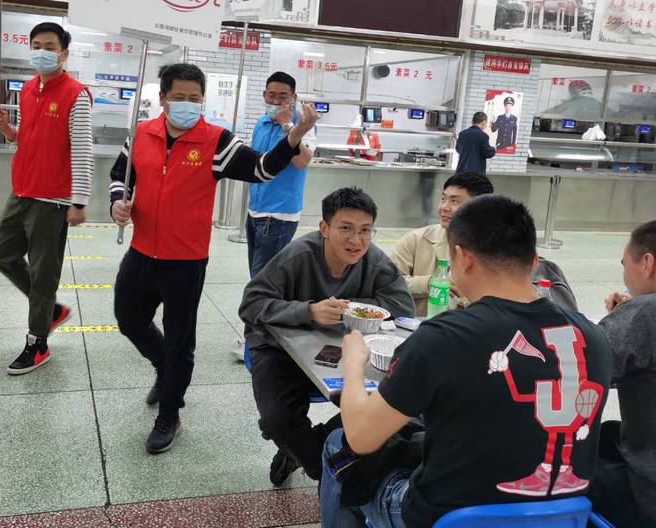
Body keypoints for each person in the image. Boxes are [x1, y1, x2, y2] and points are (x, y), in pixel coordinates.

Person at [320, 195, 612, 528]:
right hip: (559, 518)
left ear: (463, 258)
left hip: (452, 520)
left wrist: (353, 364)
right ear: (533, 261)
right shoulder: (594, 337)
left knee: (338, 446)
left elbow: (361, 436)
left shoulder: (442, 337)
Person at [109, 63, 317, 454]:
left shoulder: (216, 141)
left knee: (180, 340)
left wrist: (295, 135)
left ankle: (169, 413)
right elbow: (121, 176)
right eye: (179, 97)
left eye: (195, 98)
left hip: (186, 261)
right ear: (163, 97)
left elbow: (262, 169)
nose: (187, 104)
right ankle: (163, 368)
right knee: (128, 319)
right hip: (141, 252)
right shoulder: (140, 134)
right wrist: (117, 203)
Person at [239, 187, 415, 486]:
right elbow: (251, 303)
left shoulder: (374, 260)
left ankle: (301, 449)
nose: (356, 240)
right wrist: (308, 310)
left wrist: (350, 307)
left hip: (346, 350)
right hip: (278, 349)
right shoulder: (298, 255)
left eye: (365, 230)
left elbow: (402, 305)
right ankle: (325, 467)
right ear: (324, 228)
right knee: (277, 420)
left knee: (387, 405)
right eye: (345, 228)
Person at [0, 22, 93, 375]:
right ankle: (51, 311)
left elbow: (82, 150)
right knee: (3, 256)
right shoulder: (29, 88)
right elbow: (29, 138)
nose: (42, 52)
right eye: (36, 45)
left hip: (53, 200)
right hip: (21, 190)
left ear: (64, 54)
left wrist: (79, 200)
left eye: (50, 46)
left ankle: (38, 344)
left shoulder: (76, 94)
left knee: (44, 274)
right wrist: (7, 129)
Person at [589, 220, 656, 528]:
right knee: (607, 435)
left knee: (551, 474)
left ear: (647, 263)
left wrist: (621, 316)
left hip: (645, 492)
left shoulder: (643, 312)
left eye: (624, 263)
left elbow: (586, 364)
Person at [391, 173, 493, 316]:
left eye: (455, 201)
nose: (444, 207)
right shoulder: (416, 239)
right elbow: (389, 283)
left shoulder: (495, 251)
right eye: (443, 199)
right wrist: (430, 283)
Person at [246, 72, 315, 279]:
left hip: (279, 215)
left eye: (283, 96)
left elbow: (302, 161)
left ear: (294, 97)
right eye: (271, 95)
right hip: (254, 211)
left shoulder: (302, 125)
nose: (276, 101)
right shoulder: (261, 123)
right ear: (264, 95)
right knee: (256, 275)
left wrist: (288, 127)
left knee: (265, 279)